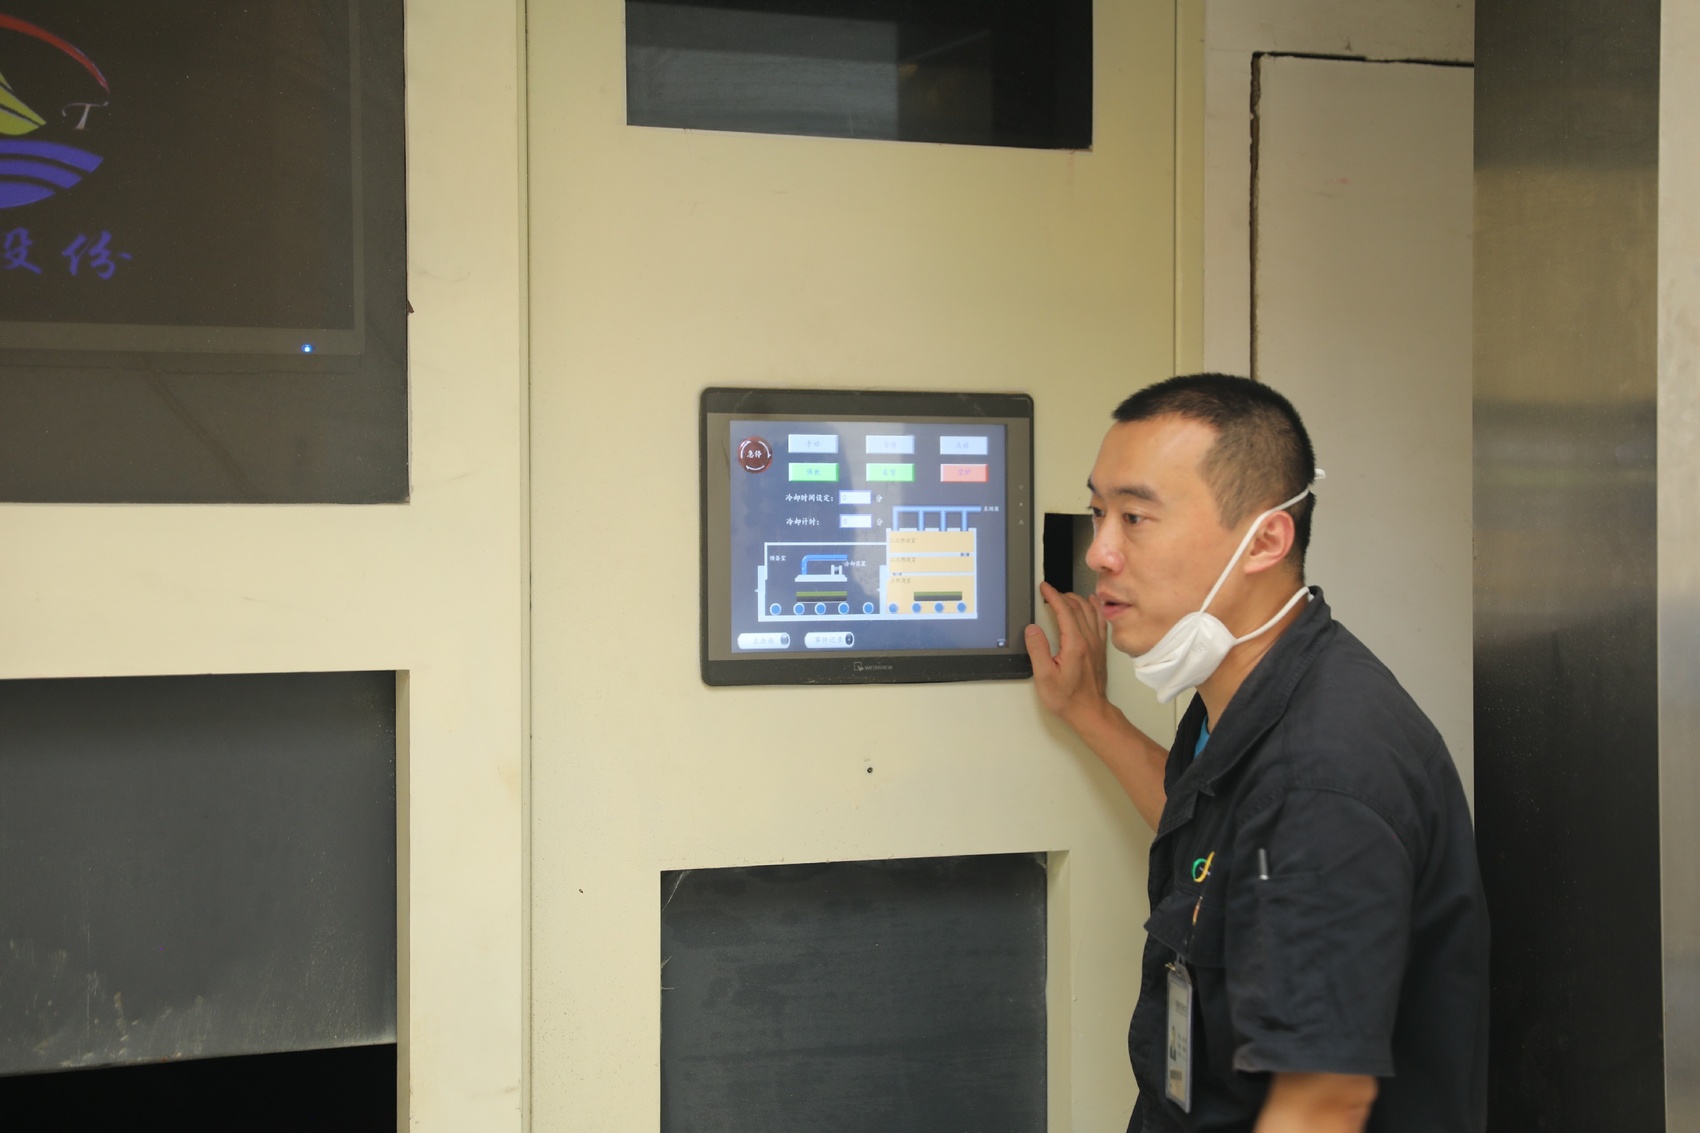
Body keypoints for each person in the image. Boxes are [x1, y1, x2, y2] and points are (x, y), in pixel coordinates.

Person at [1025, 375, 1487, 1133]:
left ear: (1266, 541)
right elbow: (1219, 840)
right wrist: (1091, 714)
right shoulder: (1255, 691)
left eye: (1135, 517)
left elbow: (1321, 1103)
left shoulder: (1323, 778)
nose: (1100, 551)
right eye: (1099, 512)